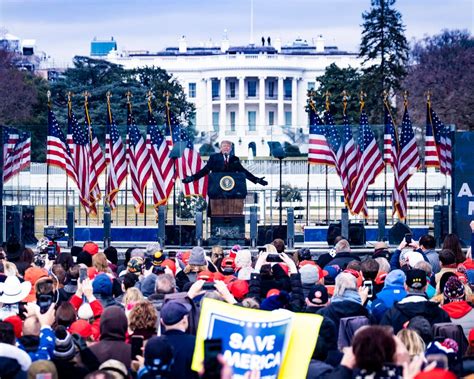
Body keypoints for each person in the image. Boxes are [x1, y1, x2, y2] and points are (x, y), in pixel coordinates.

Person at [182, 140, 268, 186]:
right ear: (220, 148)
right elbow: (205, 170)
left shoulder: (235, 159)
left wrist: (256, 180)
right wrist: (192, 178)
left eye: (228, 146)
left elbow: (243, 171)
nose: (226, 148)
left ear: (231, 149)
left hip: (231, 187)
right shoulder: (214, 157)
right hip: (217, 187)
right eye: (224, 146)